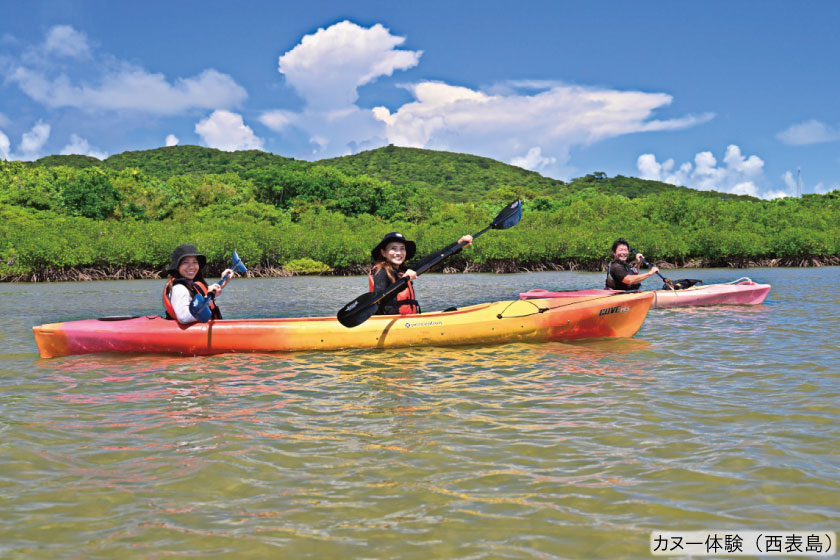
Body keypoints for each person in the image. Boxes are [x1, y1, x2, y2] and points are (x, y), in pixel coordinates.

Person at [368, 232, 473, 315]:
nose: (398, 253)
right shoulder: (381, 271)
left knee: (452, 311)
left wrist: (458, 245)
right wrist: (404, 281)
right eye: (393, 248)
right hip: (392, 323)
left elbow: (432, 259)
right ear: (383, 252)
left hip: (407, 321)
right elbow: (379, 298)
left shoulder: (403, 270)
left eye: (402, 249)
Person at [162, 244, 233, 324]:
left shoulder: (190, 284)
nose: (192, 267)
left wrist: (223, 280)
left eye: (195, 262)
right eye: (186, 262)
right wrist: (207, 300)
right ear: (177, 267)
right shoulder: (179, 288)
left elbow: (206, 292)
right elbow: (184, 318)